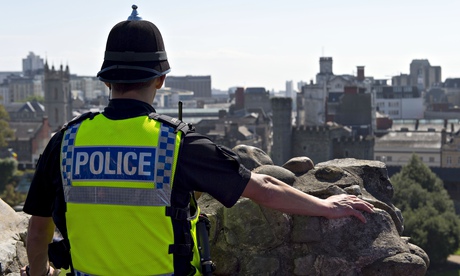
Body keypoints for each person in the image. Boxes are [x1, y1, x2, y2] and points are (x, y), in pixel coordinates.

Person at [21, 5, 374, 276]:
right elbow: (264, 187)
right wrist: (326, 206)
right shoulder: (175, 145)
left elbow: (38, 232)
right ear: (160, 79)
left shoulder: (64, 142)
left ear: (105, 81)